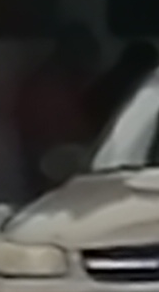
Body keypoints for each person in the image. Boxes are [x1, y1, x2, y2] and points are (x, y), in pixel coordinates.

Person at [16, 21, 107, 184]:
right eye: (88, 51)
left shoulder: (70, 84)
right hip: (51, 167)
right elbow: (63, 136)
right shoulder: (49, 88)